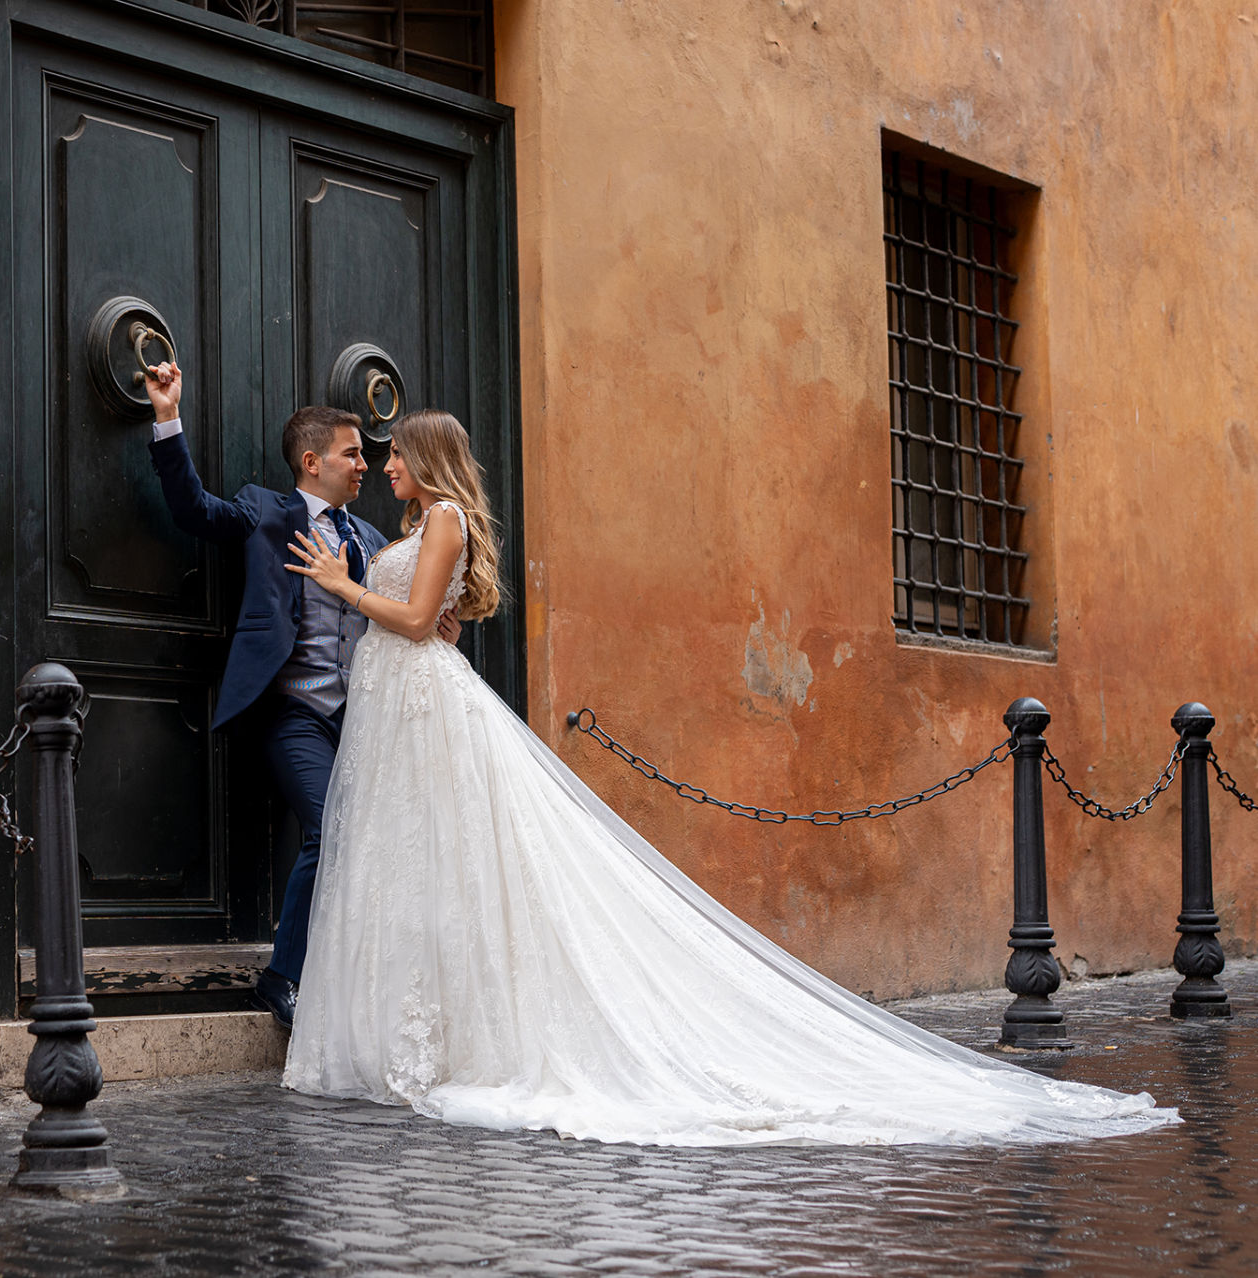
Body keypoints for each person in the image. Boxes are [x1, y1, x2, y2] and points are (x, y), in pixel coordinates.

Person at [280, 406, 1179, 1145]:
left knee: (455, 864)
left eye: (394, 453)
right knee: (411, 870)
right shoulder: (410, 523)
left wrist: (343, 585)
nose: (384, 462)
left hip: (424, 706)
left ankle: (452, 1040)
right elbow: (436, 621)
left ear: (428, 458)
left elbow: (417, 617)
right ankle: (405, 1034)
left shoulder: (442, 519)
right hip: (401, 713)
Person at [140, 362, 460, 1030]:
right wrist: (167, 415)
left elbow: (406, 613)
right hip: (290, 713)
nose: (367, 464)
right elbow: (191, 507)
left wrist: (443, 624)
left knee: (383, 842)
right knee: (333, 827)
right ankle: (283, 978)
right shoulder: (265, 511)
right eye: (353, 453)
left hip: (364, 718)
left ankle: (365, 985)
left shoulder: (373, 541)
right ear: (313, 462)